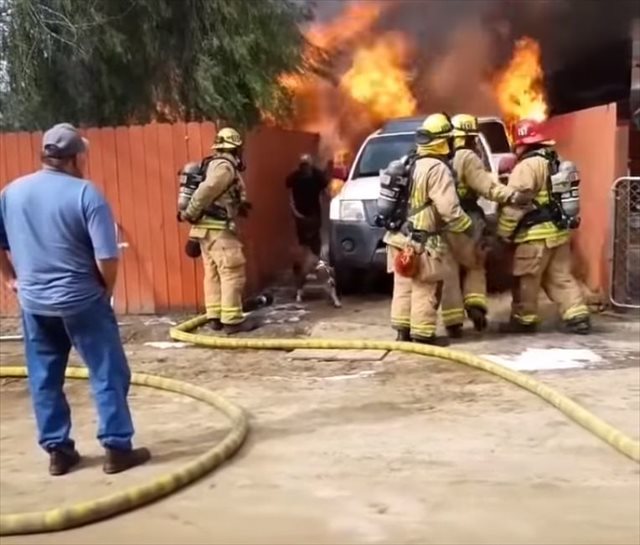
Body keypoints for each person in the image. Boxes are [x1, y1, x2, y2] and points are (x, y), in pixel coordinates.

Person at [0, 123, 150, 476]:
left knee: (44, 377)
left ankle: (58, 451)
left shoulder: (11, 193)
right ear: (72, 158)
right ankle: (116, 449)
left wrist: (11, 281)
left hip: (35, 303)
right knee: (107, 372)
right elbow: (107, 257)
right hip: (82, 301)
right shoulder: (86, 194)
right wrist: (106, 290)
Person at [385, 113, 473, 346]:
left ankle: (402, 331)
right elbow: (449, 208)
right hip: (422, 240)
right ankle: (423, 335)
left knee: (403, 286)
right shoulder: (437, 168)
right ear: (443, 141)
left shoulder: (409, 161)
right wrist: (467, 227)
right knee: (426, 287)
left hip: (398, 236)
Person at [441, 114, 532, 338]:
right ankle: (476, 307)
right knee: (475, 264)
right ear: (469, 135)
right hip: (467, 218)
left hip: (443, 221)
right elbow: (487, 187)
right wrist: (512, 196)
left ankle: (452, 321)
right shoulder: (467, 157)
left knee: (449, 272)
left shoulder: (442, 157)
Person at [497, 119, 590, 334]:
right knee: (561, 277)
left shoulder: (526, 166)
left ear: (522, 143)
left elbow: (515, 203)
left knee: (526, 280)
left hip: (533, 236)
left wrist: (503, 233)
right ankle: (578, 315)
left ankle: (524, 319)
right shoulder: (556, 159)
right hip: (559, 232)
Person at [179, 127, 257, 334]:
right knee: (232, 273)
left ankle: (215, 316)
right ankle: (232, 320)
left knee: (212, 274)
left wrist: (240, 205)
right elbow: (208, 189)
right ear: (233, 148)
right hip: (219, 231)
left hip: (205, 232)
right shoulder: (224, 167)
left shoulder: (212, 164)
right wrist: (191, 211)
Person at [285, 154, 330, 301]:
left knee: (310, 249)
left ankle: (304, 280)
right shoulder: (305, 176)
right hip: (304, 218)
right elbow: (324, 189)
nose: (305, 169)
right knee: (309, 250)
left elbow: (324, 189)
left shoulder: (309, 176)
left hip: (309, 217)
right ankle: (305, 279)